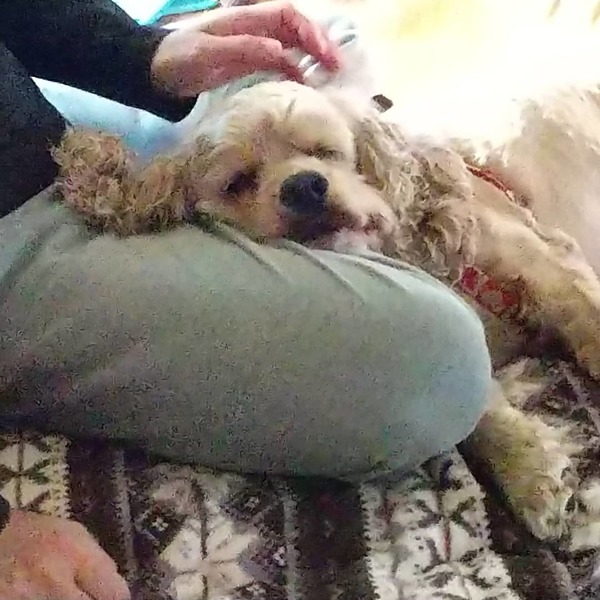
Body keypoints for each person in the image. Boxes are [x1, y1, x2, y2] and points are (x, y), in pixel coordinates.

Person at [0, 0, 493, 598]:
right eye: (241, 185)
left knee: (315, 50)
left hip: (30, 120)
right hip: (15, 228)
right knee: (436, 362)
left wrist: (141, 54)